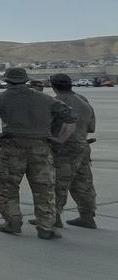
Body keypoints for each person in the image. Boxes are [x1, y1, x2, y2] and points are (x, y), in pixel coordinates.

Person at [0, 66, 75, 239]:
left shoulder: (0, 98)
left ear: (7, 81)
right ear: (26, 80)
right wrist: (60, 139)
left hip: (13, 147)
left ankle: (12, 221)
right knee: (44, 188)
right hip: (41, 148)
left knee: (8, 187)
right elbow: (71, 118)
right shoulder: (45, 99)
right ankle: (46, 227)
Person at [45, 73, 97, 229]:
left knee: (58, 183)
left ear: (53, 85)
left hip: (63, 147)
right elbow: (92, 127)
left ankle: (54, 217)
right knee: (84, 182)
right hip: (83, 145)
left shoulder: (54, 103)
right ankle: (87, 216)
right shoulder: (84, 101)